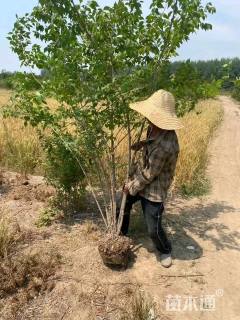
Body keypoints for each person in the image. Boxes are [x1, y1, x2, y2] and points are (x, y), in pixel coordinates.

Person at [122, 89, 183, 268]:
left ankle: (165, 249)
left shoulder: (167, 145)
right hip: (143, 179)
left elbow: (149, 174)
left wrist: (131, 186)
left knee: (153, 229)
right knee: (121, 204)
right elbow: (150, 148)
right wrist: (140, 144)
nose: (148, 117)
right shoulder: (154, 128)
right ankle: (122, 233)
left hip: (154, 190)